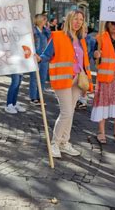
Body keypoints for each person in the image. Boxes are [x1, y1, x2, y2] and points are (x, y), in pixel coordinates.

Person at [38, 9, 93, 158]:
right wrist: (38, 58)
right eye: (75, 19)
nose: (78, 22)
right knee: (66, 112)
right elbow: (46, 55)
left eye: (81, 20)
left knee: (71, 112)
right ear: (69, 20)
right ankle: (55, 143)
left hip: (77, 79)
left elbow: (84, 61)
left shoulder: (81, 40)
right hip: (63, 79)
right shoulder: (57, 36)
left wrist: (87, 81)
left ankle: (64, 142)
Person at [29, 13, 50, 106]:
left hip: (44, 58)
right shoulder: (33, 31)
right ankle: (33, 98)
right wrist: (35, 55)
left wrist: (47, 28)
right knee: (34, 78)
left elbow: (50, 39)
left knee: (42, 78)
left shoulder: (45, 31)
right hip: (35, 57)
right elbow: (30, 44)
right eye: (45, 19)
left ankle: (39, 97)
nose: (46, 21)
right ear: (40, 20)